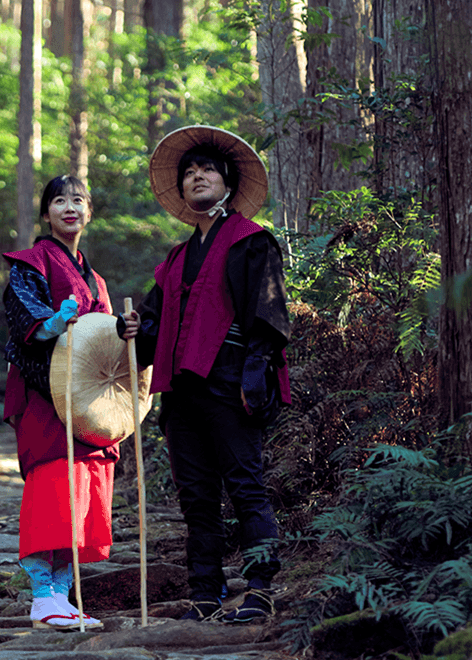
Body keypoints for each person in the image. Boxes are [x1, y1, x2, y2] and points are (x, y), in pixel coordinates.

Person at [119, 126, 291, 624]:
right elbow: (152, 328)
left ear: (228, 183)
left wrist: (252, 376)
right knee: (196, 497)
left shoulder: (252, 243)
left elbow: (270, 315)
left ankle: (259, 591)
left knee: (246, 485)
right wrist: (133, 326)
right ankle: (205, 596)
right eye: (189, 172)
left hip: (231, 382)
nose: (196, 176)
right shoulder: (173, 261)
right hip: (180, 393)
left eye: (207, 170)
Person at [2, 175, 115, 631]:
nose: (70, 207)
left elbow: (104, 339)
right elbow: (24, 318)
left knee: (86, 489)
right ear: (46, 213)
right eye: (59, 200)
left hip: (89, 398)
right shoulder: (29, 264)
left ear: (89, 212)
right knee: (53, 484)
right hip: (45, 394)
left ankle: (64, 596)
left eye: (79, 200)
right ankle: (41, 594)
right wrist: (53, 321)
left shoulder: (96, 277)